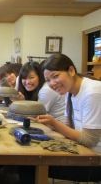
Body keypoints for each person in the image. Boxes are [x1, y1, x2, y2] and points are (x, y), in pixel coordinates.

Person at [19, 54, 101, 183]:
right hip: (84, 152)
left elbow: (89, 140)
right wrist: (50, 123)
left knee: (28, 165)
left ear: (71, 71)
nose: (52, 83)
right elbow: (69, 129)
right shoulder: (70, 92)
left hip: (95, 160)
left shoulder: (92, 92)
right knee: (26, 156)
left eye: (55, 76)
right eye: (48, 80)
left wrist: (54, 123)